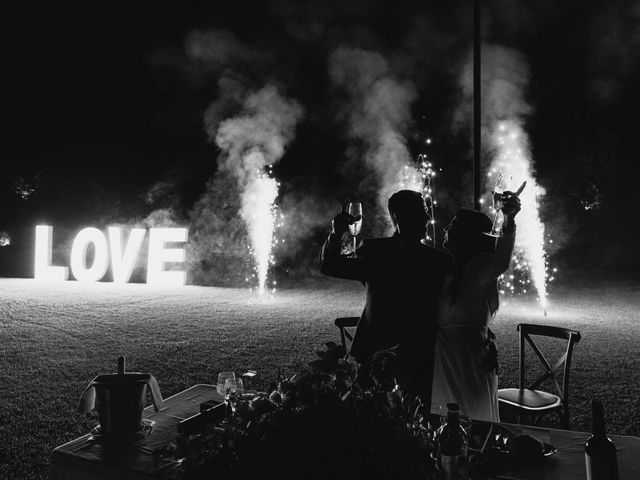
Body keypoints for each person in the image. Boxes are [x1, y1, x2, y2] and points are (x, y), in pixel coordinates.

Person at [320, 190, 451, 403]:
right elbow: (330, 265)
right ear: (400, 217)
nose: (428, 218)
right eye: (421, 212)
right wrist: (336, 234)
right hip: (374, 353)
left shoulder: (438, 261)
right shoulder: (375, 252)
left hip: (421, 357)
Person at [430, 191, 521, 422]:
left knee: (472, 422)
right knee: (447, 422)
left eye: (453, 225)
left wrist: (509, 222)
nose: (446, 229)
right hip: (446, 360)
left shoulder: (479, 268)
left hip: (468, 362)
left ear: (466, 236)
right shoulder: (447, 269)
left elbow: (502, 261)